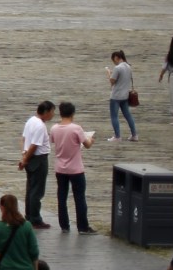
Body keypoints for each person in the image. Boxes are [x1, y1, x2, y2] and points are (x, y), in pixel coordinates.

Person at [50, 102, 97, 234]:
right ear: (72, 113)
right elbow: (87, 144)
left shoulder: (54, 128)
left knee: (61, 197)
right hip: (75, 169)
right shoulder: (76, 128)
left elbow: (53, 141)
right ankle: (82, 226)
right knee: (79, 197)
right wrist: (91, 140)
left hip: (60, 168)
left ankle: (64, 225)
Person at [19, 100, 56, 230]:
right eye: (52, 112)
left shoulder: (31, 121)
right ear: (46, 112)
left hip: (29, 157)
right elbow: (34, 145)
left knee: (30, 188)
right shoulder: (40, 126)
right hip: (38, 159)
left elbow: (23, 139)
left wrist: (24, 154)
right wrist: (25, 159)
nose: (53, 115)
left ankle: (29, 215)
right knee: (37, 191)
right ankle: (35, 218)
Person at [107, 50, 137, 143]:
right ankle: (134, 135)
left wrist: (109, 73)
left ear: (116, 58)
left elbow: (112, 81)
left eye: (113, 60)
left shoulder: (117, 68)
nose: (114, 62)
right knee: (128, 115)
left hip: (116, 96)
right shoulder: (128, 66)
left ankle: (117, 136)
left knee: (114, 116)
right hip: (125, 96)